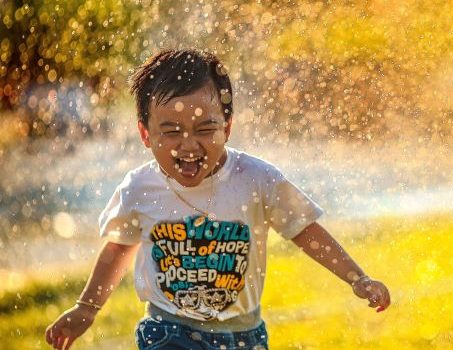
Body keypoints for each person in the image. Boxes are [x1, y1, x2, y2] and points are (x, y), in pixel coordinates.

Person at [45, 48, 390, 350]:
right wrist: (87, 307)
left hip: (243, 336)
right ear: (145, 134)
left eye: (204, 129)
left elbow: (304, 229)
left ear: (227, 127)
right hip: (168, 331)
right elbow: (118, 248)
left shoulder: (256, 179)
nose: (189, 145)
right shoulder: (140, 188)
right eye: (171, 131)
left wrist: (357, 278)